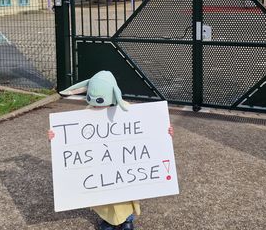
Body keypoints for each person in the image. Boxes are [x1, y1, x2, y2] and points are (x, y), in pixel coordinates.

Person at [49, 71, 174, 230]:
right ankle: (107, 220)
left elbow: (149, 130)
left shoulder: (126, 111)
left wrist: (165, 132)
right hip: (101, 169)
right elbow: (71, 140)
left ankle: (127, 220)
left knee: (126, 196)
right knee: (104, 199)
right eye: (92, 101)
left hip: (123, 168)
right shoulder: (86, 115)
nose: (96, 107)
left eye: (100, 102)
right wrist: (55, 137)